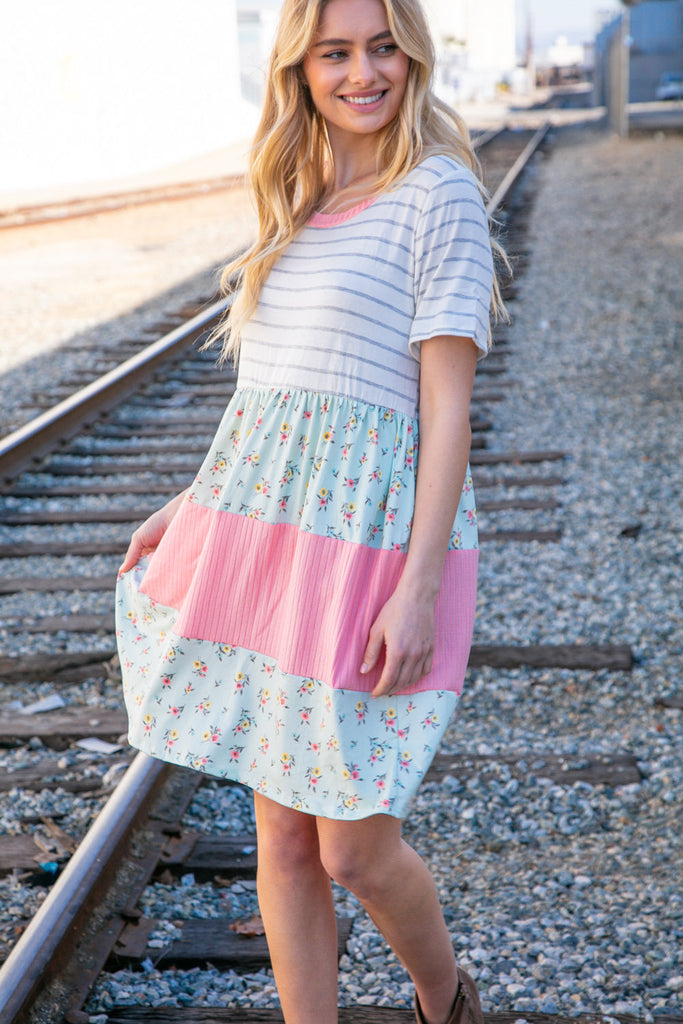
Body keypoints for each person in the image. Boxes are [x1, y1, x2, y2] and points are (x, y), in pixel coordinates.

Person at [116, 1, 506, 1021]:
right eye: (335, 52)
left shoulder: (438, 194)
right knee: (283, 839)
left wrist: (416, 588)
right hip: (271, 539)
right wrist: (194, 503)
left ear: (411, 53)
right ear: (300, 66)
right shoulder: (298, 189)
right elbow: (275, 397)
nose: (362, 73)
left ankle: (445, 999)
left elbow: (446, 408)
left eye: (381, 47)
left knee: (355, 846)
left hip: (371, 551)